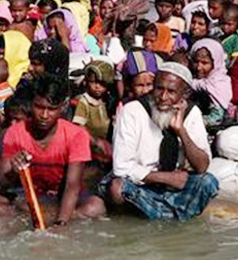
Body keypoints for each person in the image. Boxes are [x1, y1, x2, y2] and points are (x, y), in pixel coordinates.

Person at [0, 75, 103, 225]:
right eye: (39, 107)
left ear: (63, 107)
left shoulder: (76, 135)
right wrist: (14, 171)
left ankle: (37, 216)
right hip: (26, 200)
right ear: (31, 105)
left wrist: (61, 224)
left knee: (96, 206)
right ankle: (35, 214)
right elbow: (1, 183)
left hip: (61, 201)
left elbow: (72, 186)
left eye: (51, 109)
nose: (44, 115)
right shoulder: (14, 132)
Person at [93, 62, 218, 221]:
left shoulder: (192, 113)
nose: (163, 97)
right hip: (141, 185)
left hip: (174, 187)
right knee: (118, 188)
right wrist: (168, 178)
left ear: (184, 94)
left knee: (207, 182)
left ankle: (161, 214)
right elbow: (121, 167)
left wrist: (181, 131)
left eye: (171, 91)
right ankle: (169, 215)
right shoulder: (132, 111)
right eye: (159, 88)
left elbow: (202, 166)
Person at [73, 60, 117, 164]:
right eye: (93, 82)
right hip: (91, 146)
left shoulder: (109, 101)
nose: (97, 86)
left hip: (108, 145)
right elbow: (79, 126)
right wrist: (95, 142)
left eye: (101, 83)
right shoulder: (84, 101)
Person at [188, 38, 232, 127]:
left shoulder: (219, 83)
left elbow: (217, 118)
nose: (199, 67)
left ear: (215, 63)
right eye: (196, 62)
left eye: (204, 63)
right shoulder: (191, 78)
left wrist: (193, 122)